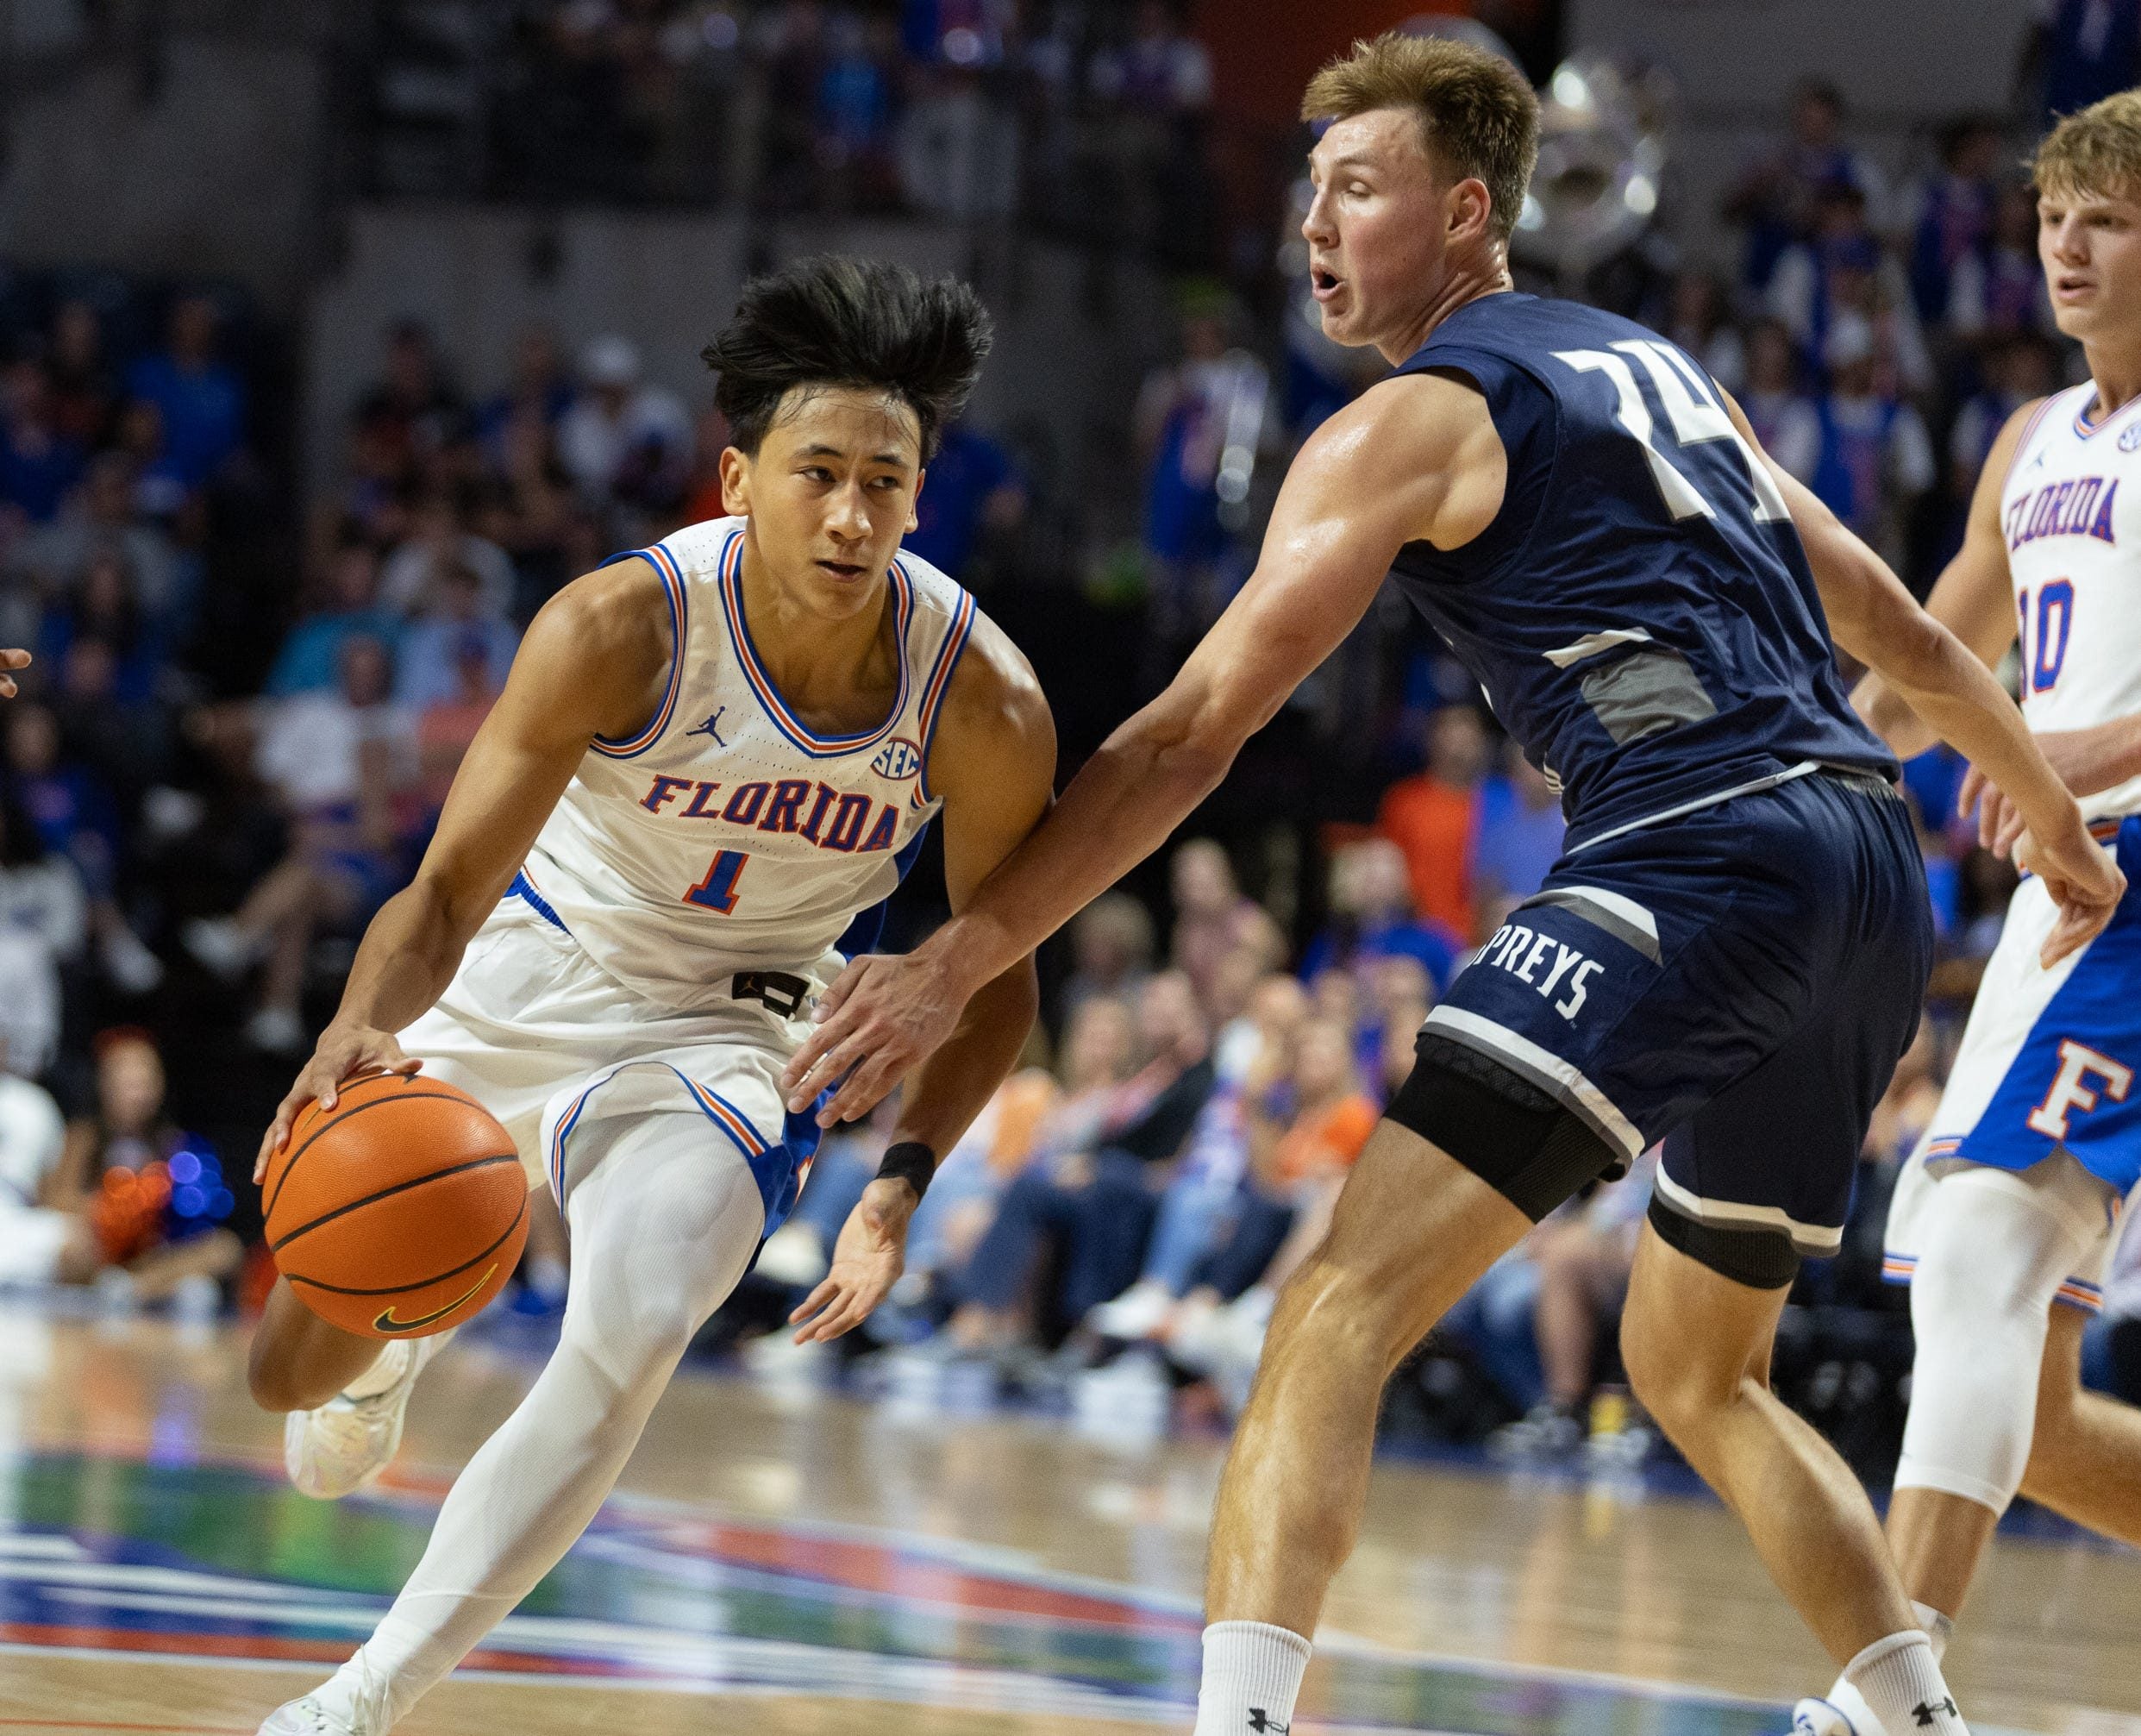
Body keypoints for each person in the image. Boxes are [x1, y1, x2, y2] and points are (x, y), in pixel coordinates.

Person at [779, 35, 2124, 1736]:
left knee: (1332, 1304)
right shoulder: (1667, 373)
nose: (1312, 224)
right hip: (1865, 870)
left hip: (1697, 841)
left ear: (1469, 211)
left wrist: (964, 949)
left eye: (1356, 186)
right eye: (1308, 187)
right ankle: (1917, 1716)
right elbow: (1907, 635)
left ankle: (1241, 1721)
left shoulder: (1407, 424)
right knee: (1697, 1370)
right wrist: (2060, 839)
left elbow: (1192, 730)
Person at [247, 256, 1057, 1736]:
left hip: (737, 1030)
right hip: (529, 966)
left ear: (922, 498)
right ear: (740, 477)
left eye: (888, 480)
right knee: (281, 1371)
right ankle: (398, 1335)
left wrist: (898, 1191)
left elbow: (994, 974)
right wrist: (354, 1028)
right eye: (819, 472)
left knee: (638, 1315)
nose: (853, 512)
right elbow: (439, 891)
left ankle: (359, 1703)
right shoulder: (620, 623)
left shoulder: (981, 698)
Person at [1819, 90, 2141, 1736]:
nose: (2068, 247)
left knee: (1984, 1256)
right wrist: (1783, 766)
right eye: (2054, 219)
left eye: (2111, 221)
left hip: (2135, 868)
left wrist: (2047, 753)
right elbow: (1928, 664)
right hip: (2061, 892)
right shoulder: (2028, 444)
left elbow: (2022, 726)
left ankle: (1893, 1701)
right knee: (2034, 1396)